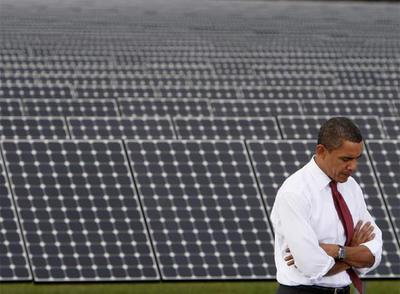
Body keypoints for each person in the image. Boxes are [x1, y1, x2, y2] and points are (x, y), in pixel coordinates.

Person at [271, 117, 382, 294]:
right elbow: (311, 266)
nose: (353, 166)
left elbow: (373, 254)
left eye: (357, 158)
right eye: (346, 159)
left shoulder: (351, 187)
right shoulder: (294, 193)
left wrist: (338, 251)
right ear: (321, 151)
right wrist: (352, 254)